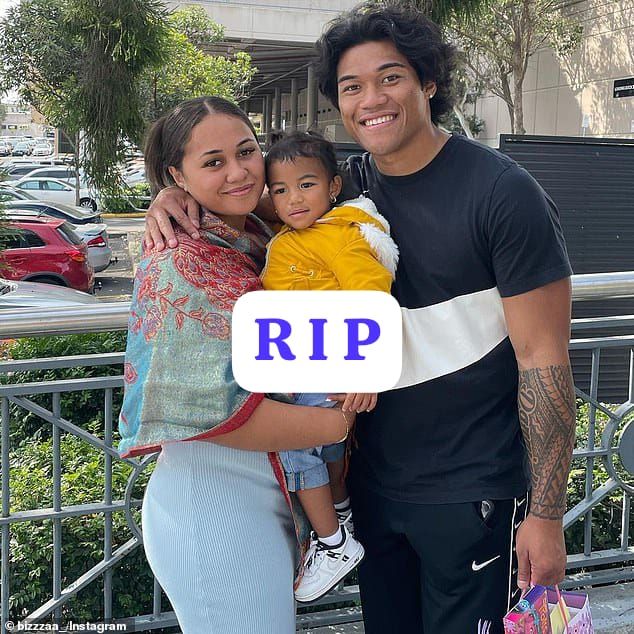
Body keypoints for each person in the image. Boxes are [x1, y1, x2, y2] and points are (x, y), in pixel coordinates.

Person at [142, 4, 576, 633]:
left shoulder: (503, 194)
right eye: (352, 86)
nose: (371, 99)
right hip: (372, 489)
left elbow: (544, 358)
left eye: (390, 77)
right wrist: (170, 194)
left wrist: (548, 513)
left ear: (429, 82)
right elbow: (237, 197)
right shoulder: (340, 190)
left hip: (472, 491)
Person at [118, 96, 355, 634]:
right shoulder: (181, 260)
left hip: (272, 487)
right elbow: (212, 415)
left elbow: (313, 186)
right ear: (177, 175)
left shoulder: (254, 233)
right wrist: (342, 423)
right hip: (214, 507)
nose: (239, 172)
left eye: (246, 152)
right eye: (213, 162)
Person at [262, 129, 399, 602]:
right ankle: (341, 513)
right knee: (326, 451)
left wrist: (366, 370)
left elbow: (373, 297)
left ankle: (334, 544)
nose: (294, 199)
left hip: (324, 365)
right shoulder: (300, 234)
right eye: (281, 190)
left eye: (307, 185)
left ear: (333, 186)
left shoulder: (339, 236)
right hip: (309, 362)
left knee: (295, 449)